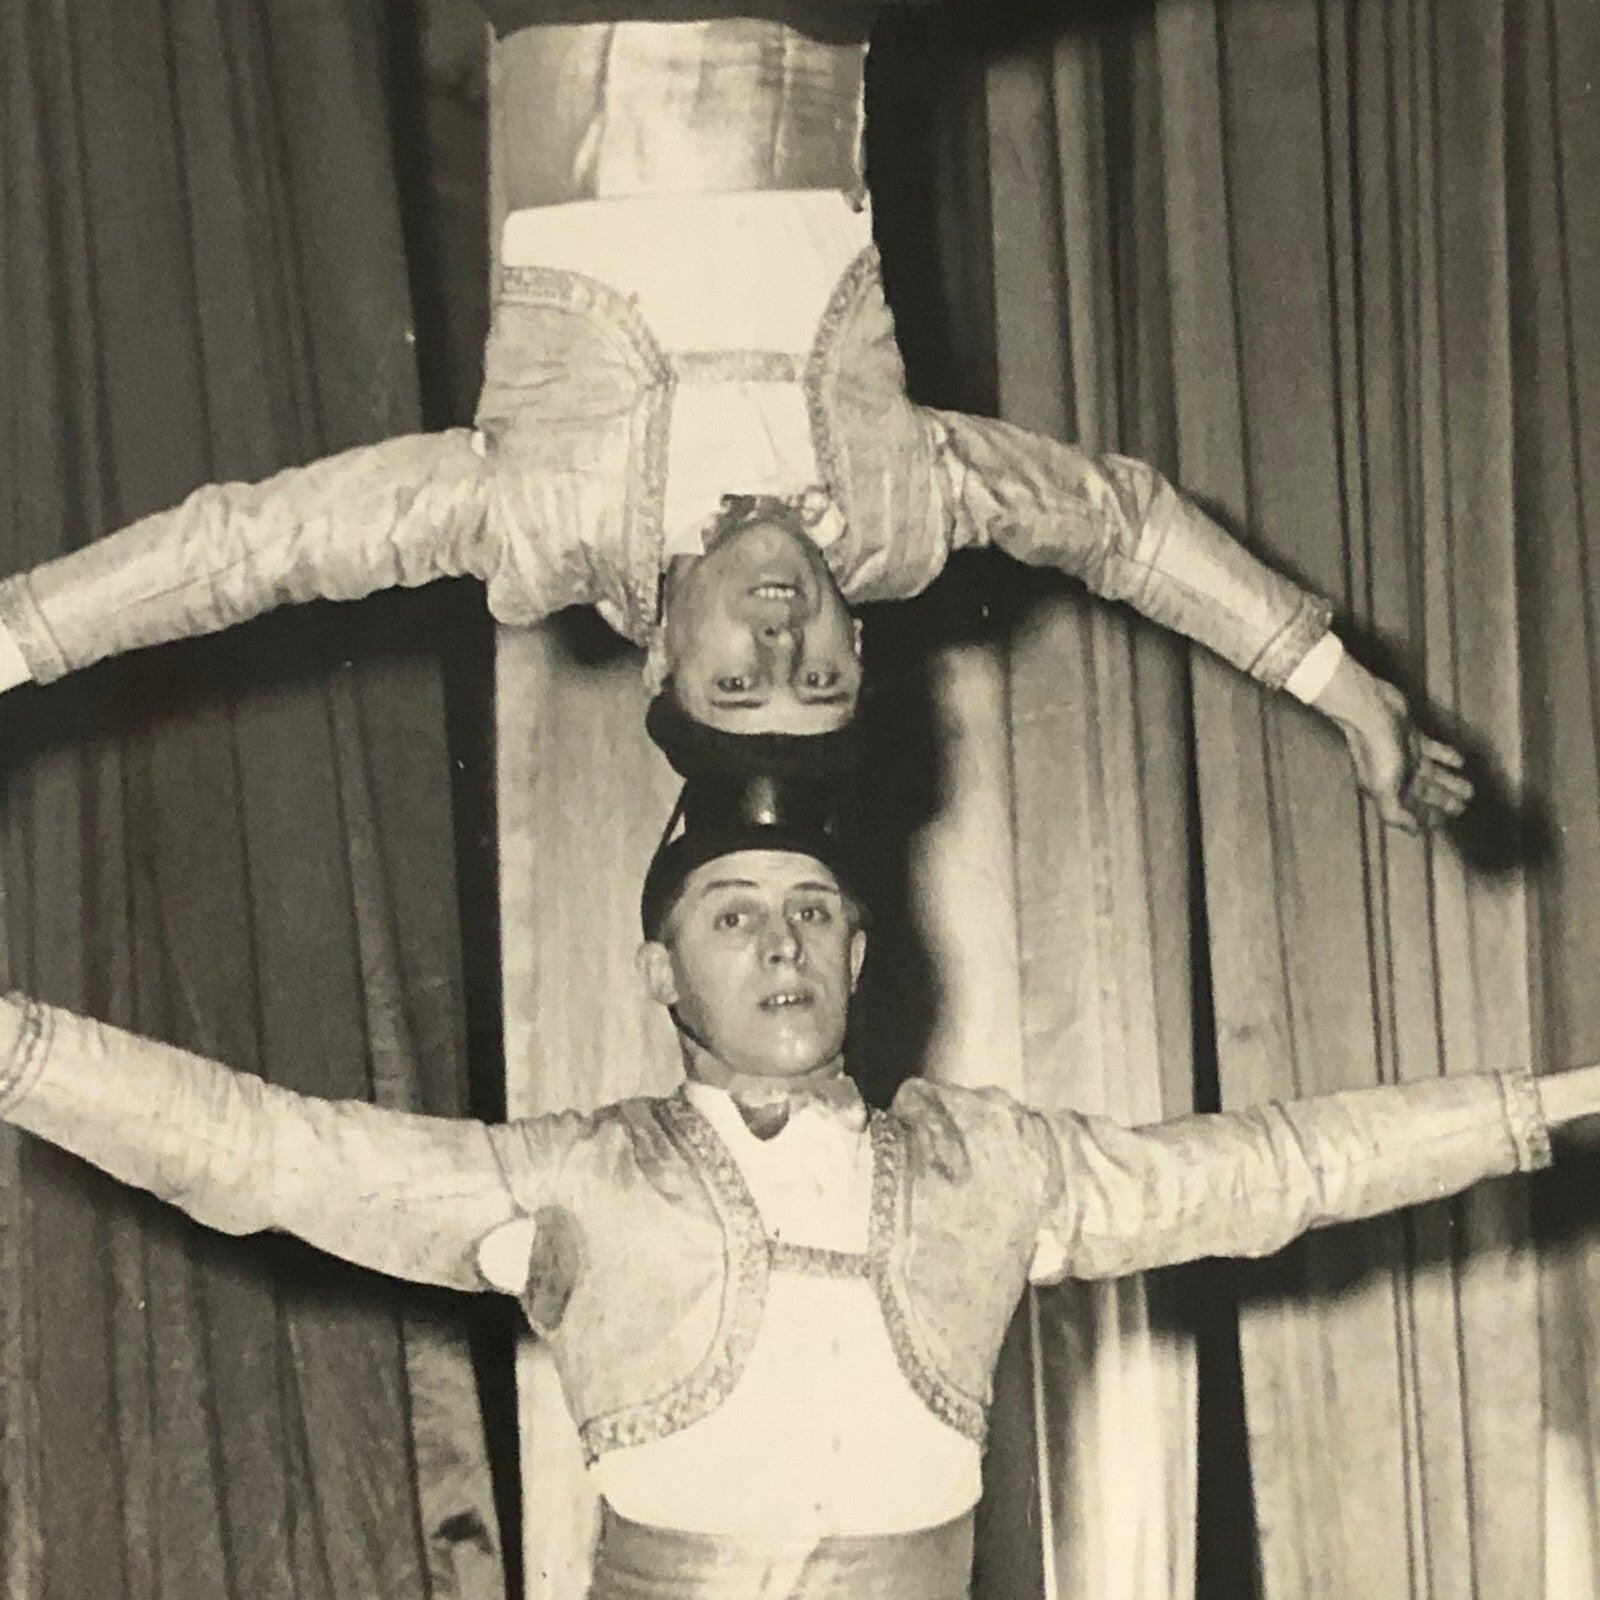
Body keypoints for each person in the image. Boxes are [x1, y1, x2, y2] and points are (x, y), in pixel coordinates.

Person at [0, 775, 1585, 1598]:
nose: (782, 944)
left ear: (863, 955)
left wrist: (1553, 1106)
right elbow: (271, 1156)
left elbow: (1273, 1169)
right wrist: (22, 1052)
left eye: (815, 911)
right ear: (660, 971)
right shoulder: (576, 1176)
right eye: (735, 914)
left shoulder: (994, 1165)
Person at [0, 2, 1470, 824]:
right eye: (819, 678)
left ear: (658, 669)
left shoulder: (541, 528)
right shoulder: (900, 519)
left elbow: (244, 550)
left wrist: (13, 641)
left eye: (740, 681)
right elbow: (1120, 524)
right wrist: (1336, 683)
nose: (782, 643)